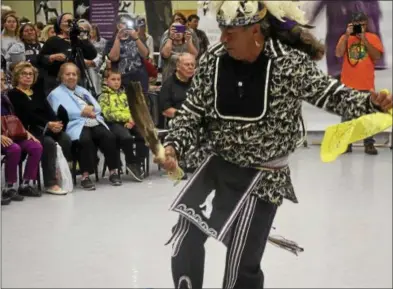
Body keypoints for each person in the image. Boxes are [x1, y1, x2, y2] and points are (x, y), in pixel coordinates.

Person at [155, 1, 393, 288]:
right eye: (222, 30)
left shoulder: (287, 63)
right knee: (184, 241)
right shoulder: (212, 60)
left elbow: (330, 94)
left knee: (241, 265)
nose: (223, 38)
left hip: (263, 178)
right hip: (217, 167)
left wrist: (370, 101)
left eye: (232, 31)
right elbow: (192, 112)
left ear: (255, 30)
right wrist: (174, 146)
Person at [47, 63, 121, 190]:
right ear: (61, 76)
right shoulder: (55, 94)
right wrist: (81, 112)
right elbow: (59, 113)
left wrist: (91, 110)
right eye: (68, 74)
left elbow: (97, 106)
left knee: (109, 136)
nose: (71, 77)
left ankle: (113, 172)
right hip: (75, 123)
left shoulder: (82, 90)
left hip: (93, 120)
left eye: (74, 74)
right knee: (85, 140)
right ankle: (85, 176)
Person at [8, 61, 72, 195]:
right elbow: (25, 116)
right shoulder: (13, 94)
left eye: (30, 74)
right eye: (24, 74)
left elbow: (48, 110)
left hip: (45, 127)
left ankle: (60, 175)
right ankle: (50, 183)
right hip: (27, 130)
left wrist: (56, 123)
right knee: (48, 143)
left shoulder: (37, 92)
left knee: (65, 138)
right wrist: (47, 124)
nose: (28, 77)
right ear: (17, 76)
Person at [335, 12, 383, 155]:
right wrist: (346, 36)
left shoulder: (373, 38)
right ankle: (345, 144)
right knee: (347, 117)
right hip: (348, 84)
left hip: (366, 84)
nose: (359, 27)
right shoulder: (345, 37)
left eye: (361, 25)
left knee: (368, 118)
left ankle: (369, 144)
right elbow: (338, 53)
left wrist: (364, 40)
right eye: (356, 25)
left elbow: (377, 56)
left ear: (366, 24)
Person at [1, 70, 43, 204]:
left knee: (36, 146)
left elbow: (13, 119)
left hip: (11, 132)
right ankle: (9, 186)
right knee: (14, 149)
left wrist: (26, 132)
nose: (1, 83)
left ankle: (26, 184)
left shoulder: (4, 97)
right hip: (2, 136)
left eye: (2, 80)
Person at [99, 69, 148, 181]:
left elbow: (132, 109)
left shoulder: (124, 94)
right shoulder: (103, 96)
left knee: (144, 134)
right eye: (113, 79)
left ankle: (138, 162)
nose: (116, 82)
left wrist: (132, 120)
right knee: (126, 138)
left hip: (130, 121)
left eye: (118, 79)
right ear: (106, 81)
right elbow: (108, 114)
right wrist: (127, 119)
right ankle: (131, 162)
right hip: (114, 123)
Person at [39, 13, 97, 95]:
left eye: (72, 21)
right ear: (59, 25)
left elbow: (92, 55)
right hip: (58, 81)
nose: (69, 24)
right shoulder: (53, 40)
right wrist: (52, 57)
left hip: (78, 81)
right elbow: (40, 58)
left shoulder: (78, 40)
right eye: (66, 21)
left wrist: (83, 37)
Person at [104, 14, 149, 95]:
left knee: (141, 105)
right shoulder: (111, 42)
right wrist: (118, 38)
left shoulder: (137, 38)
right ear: (118, 25)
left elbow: (145, 54)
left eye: (128, 23)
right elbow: (113, 58)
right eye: (124, 23)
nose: (126, 25)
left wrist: (136, 38)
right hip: (122, 80)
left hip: (140, 79)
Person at [160, 14, 199, 83]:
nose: (178, 33)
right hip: (169, 80)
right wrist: (171, 37)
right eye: (175, 30)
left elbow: (194, 56)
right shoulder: (167, 41)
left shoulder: (187, 42)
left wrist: (189, 41)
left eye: (180, 30)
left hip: (185, 81)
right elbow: (165, 54)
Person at [160, 53, 196, 119]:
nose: (190, 67)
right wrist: (186, 116)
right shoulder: (168, 85)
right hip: (178, 121)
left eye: (192, 65)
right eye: (187, 64)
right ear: (178, 67)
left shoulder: (197, 82)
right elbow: (166, 110)